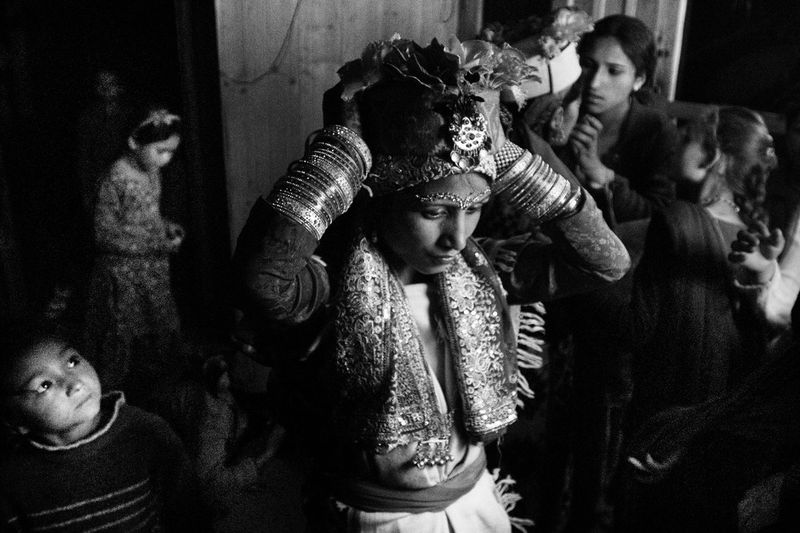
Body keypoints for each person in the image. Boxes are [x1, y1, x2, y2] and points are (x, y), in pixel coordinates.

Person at [233, 35, 630, 532]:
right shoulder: (331, 284)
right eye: (434, 211)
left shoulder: (488, 270)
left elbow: (606, 263)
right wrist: (347, 155)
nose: (457, 238)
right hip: (381, 518)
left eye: (475, 208)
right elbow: (262, 282)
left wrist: (509, 158)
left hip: (478, 502)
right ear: (383, 200)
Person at [616, 106, 778, 531]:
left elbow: (639, 327)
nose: (675, 140)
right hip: (714, 436)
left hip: (664, 418)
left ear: (713, 155)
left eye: (686, 135)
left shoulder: (676, 220)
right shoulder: (751, 239)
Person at [0, 319, 203, 532]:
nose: (75, 383)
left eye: (72, 361)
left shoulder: (146, 432)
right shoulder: (13, 479)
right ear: (15, 419)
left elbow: (187, 513)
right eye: (45, 385)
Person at [83, 106, 185, 406]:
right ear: (134, 142)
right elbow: (103, 234)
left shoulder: (152, 172)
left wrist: (166, 228)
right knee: (122, 332)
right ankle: (115, 398)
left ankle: (165, 392)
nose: (166, 159)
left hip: (153, 270)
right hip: (123, 273)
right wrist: (154, 244)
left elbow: (148, 215)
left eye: (171, 152)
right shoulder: (114, 180)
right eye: (160, 151)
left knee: (161, 325)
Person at [563, 14, 677, 226]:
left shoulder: (657, 130)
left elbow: (660, 217)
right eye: (588, 64)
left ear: (639, 79)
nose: (595, 83)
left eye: (614, 71)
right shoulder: (559, 112)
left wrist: (602, 175)